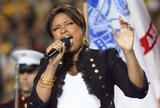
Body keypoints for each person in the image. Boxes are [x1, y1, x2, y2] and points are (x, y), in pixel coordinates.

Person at [28, 4, 149, 108]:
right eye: (56, 28)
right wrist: (51, 67)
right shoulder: (48, 63)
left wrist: (129, 52)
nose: (63, 30)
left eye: (69, 24)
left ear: (82, 28)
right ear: (53, 37)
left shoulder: (105, 58)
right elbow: (35, 105)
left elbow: (137, 90)